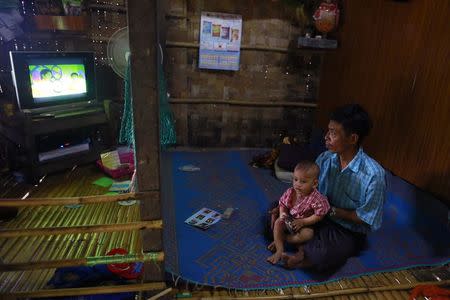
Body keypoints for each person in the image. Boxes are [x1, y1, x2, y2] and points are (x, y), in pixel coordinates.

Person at [281, 103, 386, 271]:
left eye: (333, 133)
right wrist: (293, 204)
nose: (326, 137)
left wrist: (332, 211)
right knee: (279, 211)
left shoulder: (373, 175)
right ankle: (302, 246)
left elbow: (367, 217)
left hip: (345, 229)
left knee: (328, 251)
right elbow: (310, 192)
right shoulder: (325, 158)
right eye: (328, 130)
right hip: (318, 215)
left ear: (352, 139)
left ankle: (302, 255)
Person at [267, 161, 330, 265]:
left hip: (305, 224)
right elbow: (283, 204)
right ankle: (279, 250)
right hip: (290, 220)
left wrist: (303, 222)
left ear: (314, 183)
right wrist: (283, 214)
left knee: (308, 234)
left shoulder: (316, 198)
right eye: (295, 179)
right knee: (278, 222)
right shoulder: (291, 192)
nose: (297, 184)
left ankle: (282, 238)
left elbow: (319, 215)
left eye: (303, 182)